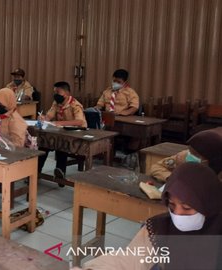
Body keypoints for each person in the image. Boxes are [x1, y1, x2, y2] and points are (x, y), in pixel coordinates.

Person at [80, 163, 222, 270]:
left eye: (187, 207)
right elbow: (128, 260)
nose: (178, 214)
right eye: (171, 205)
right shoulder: (160, 228)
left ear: (209, 204)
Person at [38, 81, 87, 180]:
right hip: (62, 131)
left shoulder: (75, 105)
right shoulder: (56, 103)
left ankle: (60, 172)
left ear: (67, 93)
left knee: (61, 145)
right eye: (54, 92)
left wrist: (59, 123)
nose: (56, 95)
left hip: (76, 133)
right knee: (44, 144)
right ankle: (36, 171)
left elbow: (79, 121)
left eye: (58, 92)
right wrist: (44, 118)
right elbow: (49, 115)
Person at [150, 129, 222, 181]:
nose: (190, 155)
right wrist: (171, 178)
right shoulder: (183, 156)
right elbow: (156, 167)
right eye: (190, 150)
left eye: (196, 154)